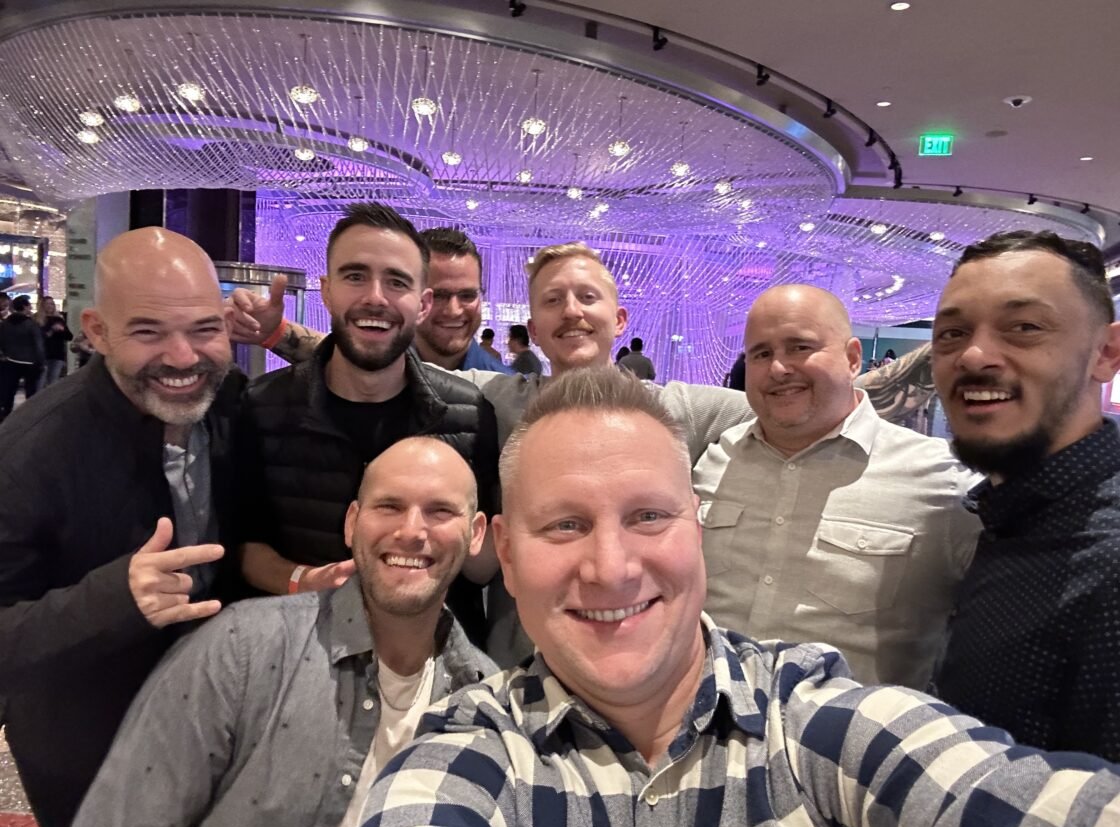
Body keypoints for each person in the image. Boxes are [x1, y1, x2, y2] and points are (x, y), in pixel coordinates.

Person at [358, 366, 1120, 827]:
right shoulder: (467, 751)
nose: (612, 568)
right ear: (510, 561)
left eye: (649, 516)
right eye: (565, 525)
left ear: (700, 528)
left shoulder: (815, 723)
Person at [233, 241, 940, 665]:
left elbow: (792, 401)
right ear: (533, 324)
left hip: (638, 647)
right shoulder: (500, 397)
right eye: (553, 301)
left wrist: (869, 374)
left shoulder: (685, 412)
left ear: (618, 317)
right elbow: (396, 372)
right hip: (521, 655)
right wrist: (283, 338)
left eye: (587, 297)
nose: (572, 311)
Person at [68, 438, 497, 827]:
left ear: (476, 534)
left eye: (440, 511)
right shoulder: (241, 651)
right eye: (389, 506)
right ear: (352, 523)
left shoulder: (485, 703)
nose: (412, 530)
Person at [0, 227, 242, 827]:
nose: (184, 357)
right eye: (148, 331)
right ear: (97, 331)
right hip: (91, 755)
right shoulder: (30, 454)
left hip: (216, 727)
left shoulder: (230, 404)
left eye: (204, 329)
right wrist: (113, 600)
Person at [235, 202, 498, 647]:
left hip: (435, 667)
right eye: (355, 276)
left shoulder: (469, 413)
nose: (375, 297)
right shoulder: (262, 407)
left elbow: (481, 560)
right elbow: (241, 543)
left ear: (421, 303)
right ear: (327, 290)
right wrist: (302, 581)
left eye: (396, 282)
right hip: (300, 653)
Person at [692, 285, 978, 688]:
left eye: (799, 347)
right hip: (704, 731)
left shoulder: (940, 479)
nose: (778, 368)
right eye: (761, 353)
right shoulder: (715, 457)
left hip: (849, 743)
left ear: (852, 358)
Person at [929, 230, 1120, 760]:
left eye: (1024, 328)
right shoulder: (1006, 514)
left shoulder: (1107, 562)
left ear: (1106, 353)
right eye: (951, 333)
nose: (974, 355)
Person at [228, 227, 510, 374]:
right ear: (419, 300)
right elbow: (336, 354)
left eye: (468, 295)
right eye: (440, 295)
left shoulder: (503, 391)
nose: (454, 310)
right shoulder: (382, 360)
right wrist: (274, 332)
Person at [0, 294, 45, 418]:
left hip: (11, 360)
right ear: (25, 307)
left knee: (10, 390)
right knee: (30, 391)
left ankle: (5, 413)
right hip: (30, 362)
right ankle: (30, 415)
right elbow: (38, 345)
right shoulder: (31, 324)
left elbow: (2, 340)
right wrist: (41, 362)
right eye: (29, 306)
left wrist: (6, 353)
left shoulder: (6, 323)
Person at [36, 295, 72, 388]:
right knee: (40, 382)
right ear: (42, 306)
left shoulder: (59, 319)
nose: (50, 306)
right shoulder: (37, 320)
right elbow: (39, 337)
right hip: (43, 355)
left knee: (53, 382)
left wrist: (62, 330)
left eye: (52, 304)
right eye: (47, 304)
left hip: (57, 355)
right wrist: (51, 330)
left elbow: (69, 336)